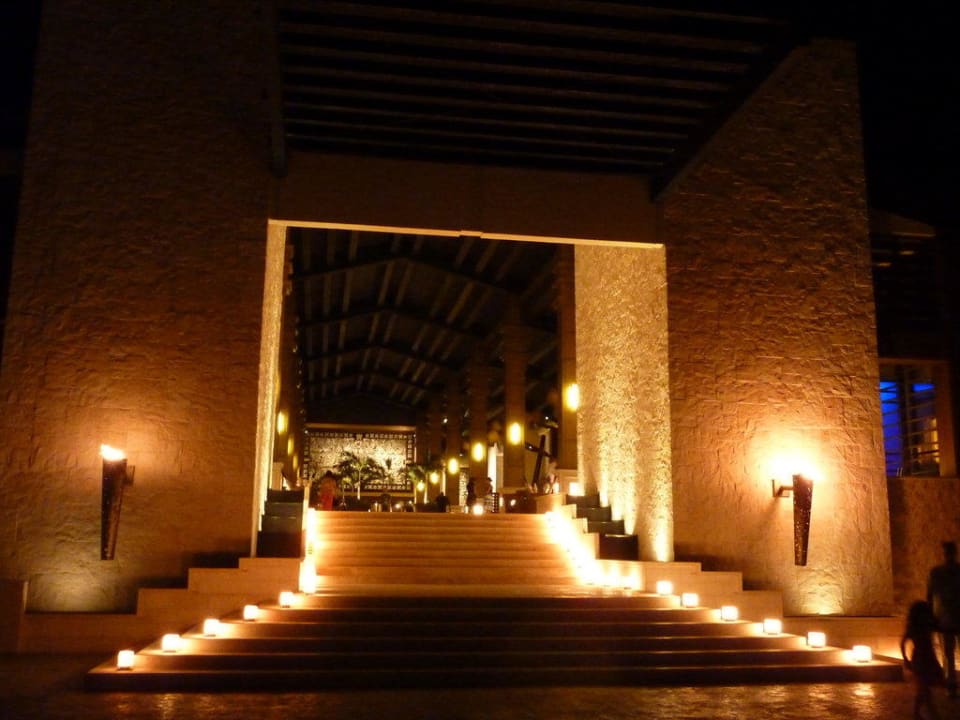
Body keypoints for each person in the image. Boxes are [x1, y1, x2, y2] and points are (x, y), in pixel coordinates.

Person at [927, 540, 960, 697]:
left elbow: (930, 595)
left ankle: (951, 684)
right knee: (948, 652)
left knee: (948, 653)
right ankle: (951, 684)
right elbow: (931, 595)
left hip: (945, 618)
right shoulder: (938, 573)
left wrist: (932, 615)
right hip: (949, 617)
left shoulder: (937, 573)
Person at [901, 600, 943, 720]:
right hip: (921, 659)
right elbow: (903, 642)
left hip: (926, 657)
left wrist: (906, 659)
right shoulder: (918, 627)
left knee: (923, 688)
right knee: (925, 689)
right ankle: (934, 715)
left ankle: (916, 713)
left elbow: (903, 642)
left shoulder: (924, 626)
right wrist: (906, 660)